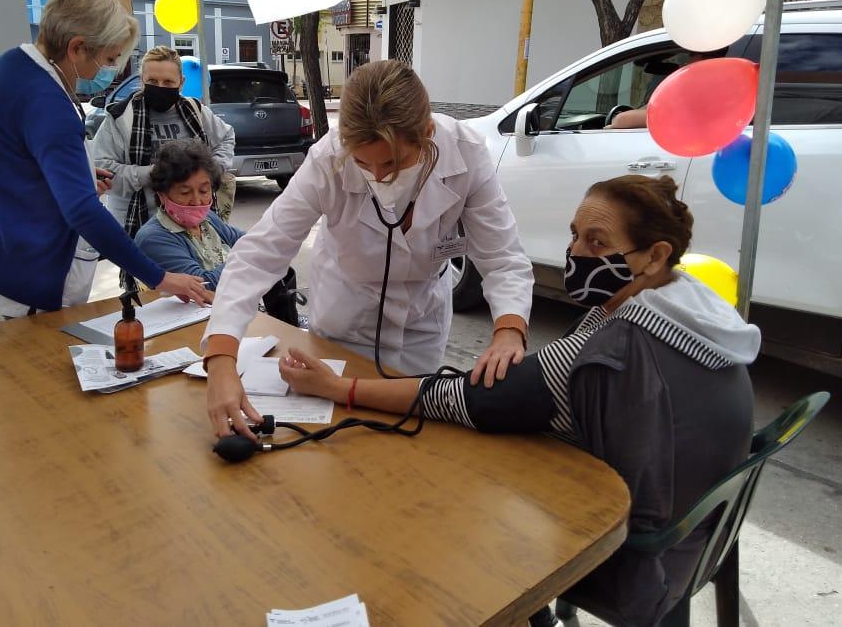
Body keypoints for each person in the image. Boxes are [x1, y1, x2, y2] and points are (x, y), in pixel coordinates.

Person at [278, 175, 759, 627]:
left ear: (655, 255)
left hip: (636, 561)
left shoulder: (615, 346)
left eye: (597, 243)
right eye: (574, 236)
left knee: (451, 507)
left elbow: (465, 398)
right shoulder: (695, 305)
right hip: (702, 534)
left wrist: (340, 389)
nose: (575, 253)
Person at [205, 59, 535, 438]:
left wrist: (509, 330)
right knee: (338, 444)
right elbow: (260, 253)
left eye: (392, 162)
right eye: (362, 163)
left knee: (409, 436)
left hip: (420, 326)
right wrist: (221, 360)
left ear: (426, 133)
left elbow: (504, 258)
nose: (378, 177)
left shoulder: (467, 154)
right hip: (345, 319)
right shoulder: (328, 159)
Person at [0, 0, 212, 319]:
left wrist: (82, 175)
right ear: (76, 48)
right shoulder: (46, 101)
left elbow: (17, 162)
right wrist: (160, 278)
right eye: (109, 58)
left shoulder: (8, 68)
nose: (110, 71)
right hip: (24, 272)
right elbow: (83, 211)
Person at [93, 46, 236, 259]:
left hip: (195, 224)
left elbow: (226, 136)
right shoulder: (121, 118)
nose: (160, 87)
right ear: (142, 80)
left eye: (168, 82)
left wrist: (213, 169)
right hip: (139, 224)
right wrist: (154, 174)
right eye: (152, 81)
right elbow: (101, 169)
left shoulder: (195, 111)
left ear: (181, 82)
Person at [134, 138, 299, 324]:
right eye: (185, 193)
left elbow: (248, 242)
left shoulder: (207, 219)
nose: (197, 202)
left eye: (204, 191)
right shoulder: (154, 238)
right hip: (196, 327)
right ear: (162, 196)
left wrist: (254, 250)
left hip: (235, 316)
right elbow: (205, 285)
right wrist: (248, 255)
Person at [609, 49, 726, 129]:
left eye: (691, 56)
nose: (686, 63)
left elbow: (623, 120)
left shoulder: (698, 97)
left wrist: (616, 120)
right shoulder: (719, 94)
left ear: (704, 60)